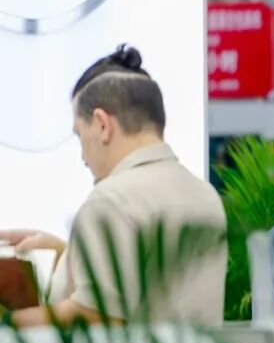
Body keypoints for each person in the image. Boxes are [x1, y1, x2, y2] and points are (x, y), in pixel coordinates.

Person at [0, 44, 227, 327]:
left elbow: (96, 316)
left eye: (80, 134)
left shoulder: (111, 200)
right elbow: (148, 285)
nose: (83, 156)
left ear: (102, 124)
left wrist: (8, 323)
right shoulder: (204, 194)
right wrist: (66, 254)